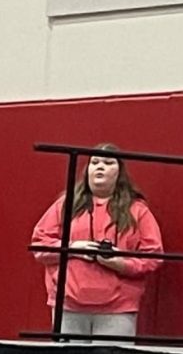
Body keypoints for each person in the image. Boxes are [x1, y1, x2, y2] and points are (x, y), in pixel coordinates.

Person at [30, 146, 163, 341]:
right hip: (68, 305)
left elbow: (153, 256)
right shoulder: (65, 205)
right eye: (95, 162)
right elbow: (39, 245)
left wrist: (120, 262)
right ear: (87, 170)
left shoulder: (138, 210)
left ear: (120, 173)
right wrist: (74, 248)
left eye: (108, 163)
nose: (100, 167)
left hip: (118, 309)